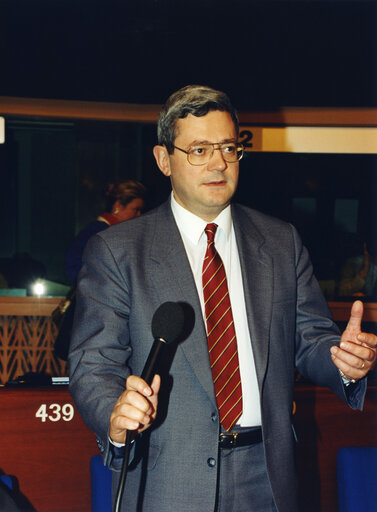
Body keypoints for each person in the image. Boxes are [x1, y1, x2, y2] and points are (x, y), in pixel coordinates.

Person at [68, 85, 377, 512]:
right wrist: (115, 417)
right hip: (167, 476)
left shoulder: (281, 241)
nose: (217, 162)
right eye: (198, 150)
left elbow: (311, 339)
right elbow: (93, 363)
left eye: (228, 147)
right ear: (164, 160)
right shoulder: (118, 251)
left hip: (267, 475)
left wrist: (344, 360)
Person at [65, 179, 146, 285]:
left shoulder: (103, 231)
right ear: (118, 206)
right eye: (136, 209)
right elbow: (74, 267)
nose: (139, 215)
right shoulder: (97, 233)